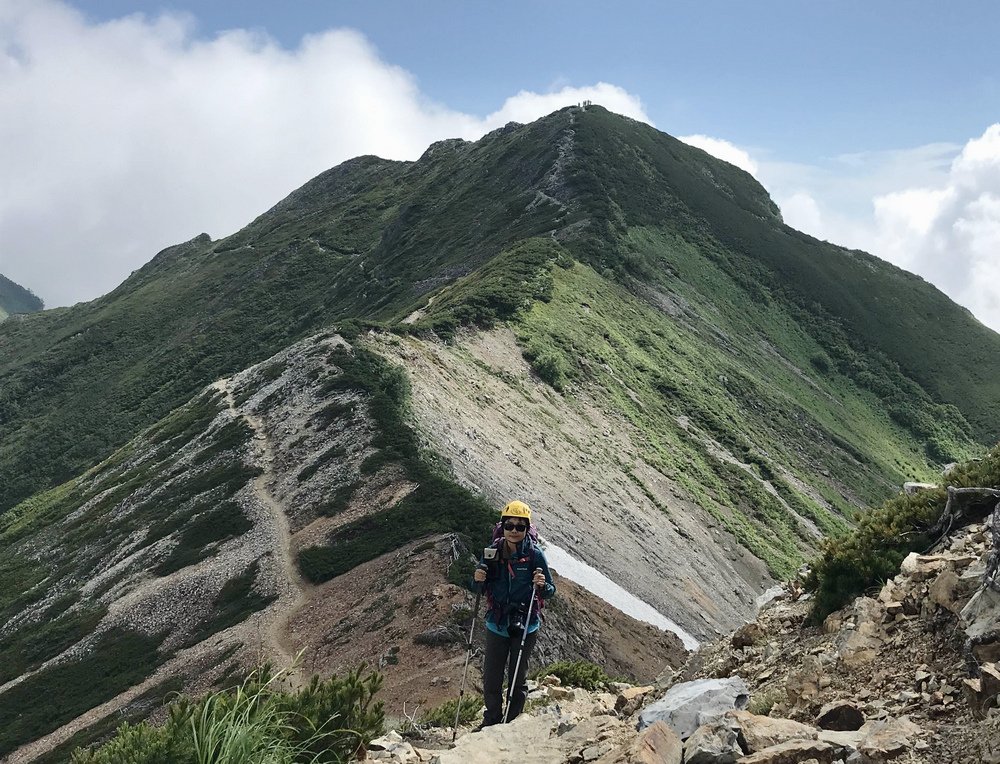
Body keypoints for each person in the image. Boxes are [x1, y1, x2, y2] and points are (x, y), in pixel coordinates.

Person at [471, 500, 556, 726]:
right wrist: (477, 579)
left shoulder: (535, 555)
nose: (514, 531)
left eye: (520, 527)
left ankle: (511, 722)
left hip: (525, 622)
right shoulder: (492, 553)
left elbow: (550, 591)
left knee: (517, 678)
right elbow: (479, 587)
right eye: (510, 525)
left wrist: (542, 585)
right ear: (503, 526)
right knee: (491, 679)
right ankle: (491, 721)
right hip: (497, 622)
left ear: (527, 529)